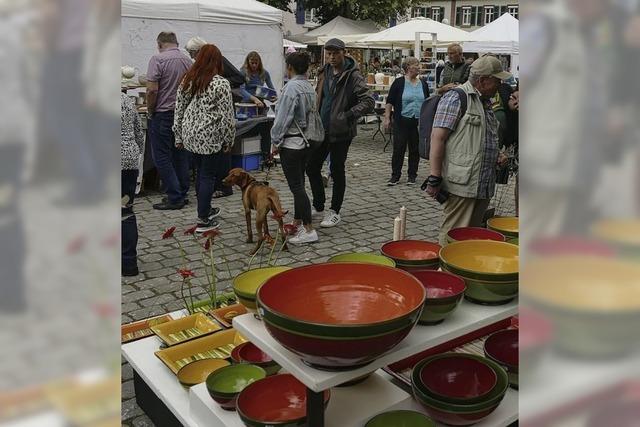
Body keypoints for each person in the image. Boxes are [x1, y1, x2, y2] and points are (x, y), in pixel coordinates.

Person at [425, 56, 511, 246]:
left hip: (482, 183)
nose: (500, 84)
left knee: (470, 237)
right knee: (453, 235)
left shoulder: (485, 100)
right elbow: (437, 138)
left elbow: (480, 136)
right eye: (497, 80)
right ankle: (445, 273)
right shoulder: (456, 97)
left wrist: (496, 154)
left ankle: (461, 272)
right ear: (482, 80)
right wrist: (434, 177)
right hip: (462, 183)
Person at [306, 38, 374, 227]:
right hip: (321, 129)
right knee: (311, 167)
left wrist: (348, 115)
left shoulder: (353, 75)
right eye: (329, 53)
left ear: (344, 53)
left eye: (336, 53)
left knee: (336, 170)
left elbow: (368, 102)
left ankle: (335, 211)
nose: (332, 57)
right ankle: (318, 205)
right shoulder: (323, 72)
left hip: (341, 132)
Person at [173, 44, 236, 233]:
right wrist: (229, 140)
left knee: (201, 173)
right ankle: (203, 219)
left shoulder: (189, 79)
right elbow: (227, 116)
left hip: (190, 133)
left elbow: (179, 108)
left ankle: (206, 208)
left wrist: (178, 134)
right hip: (209, 135)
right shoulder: (221, 83)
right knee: (207, 175)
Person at [270, 52, 319, 244]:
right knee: (299, 183)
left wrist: (275, 141)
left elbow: (282, 119)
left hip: (291, 143)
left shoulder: (291, 88)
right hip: (306, 142)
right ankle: (298, 221)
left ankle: (308, 229)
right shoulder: (309, 87)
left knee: (297, 187)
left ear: (289, 67)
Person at [146, 31, 193, 210]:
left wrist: (151, 110)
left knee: (162, 157)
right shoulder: (187, 61)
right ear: (177, 42)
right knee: (180, 154)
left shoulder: (157, 60)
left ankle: (174, 196)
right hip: (182, 113)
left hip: (163, 112)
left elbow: (151, 90)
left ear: (159, 44)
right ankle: (182, 191)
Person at [185, 36, 235, 199]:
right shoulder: (197, 74)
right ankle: (204, 210)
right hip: (207, 130)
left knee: (205, 172)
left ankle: (208, 203)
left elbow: (238, 78)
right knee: (206, 173)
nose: (192, 57)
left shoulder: (212, 73)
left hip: (206, 126)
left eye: (193, 53)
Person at [383, 57, 430, 186]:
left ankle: (412, 175)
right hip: (401, 120)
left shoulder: (423, 83)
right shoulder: (399, 83)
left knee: (415, 150)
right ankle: (395, 176)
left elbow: (427, 102)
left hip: (418, 122)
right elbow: (390, 102)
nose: (419, 67)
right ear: (408, 67)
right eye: (416, 65)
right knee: (399, 149)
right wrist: (387, 118)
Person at [121, 93, 144, 276]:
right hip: (128, 161)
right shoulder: (125, 100)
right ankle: (129, 264)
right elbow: (138, 131)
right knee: (125, 211)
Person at [239, 51, 276, 163]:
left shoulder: (264, 73)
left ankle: (265, 156)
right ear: (248, 62)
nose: (254, 65)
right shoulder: (243, 72)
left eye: (256, 63)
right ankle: (247, 155)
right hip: (246, 105)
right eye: (252, 63)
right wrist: (253, 99)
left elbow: (271, 89)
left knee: (265, 129)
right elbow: (241, 89)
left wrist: (273, 97)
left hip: (260, 106)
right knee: (248, 129)